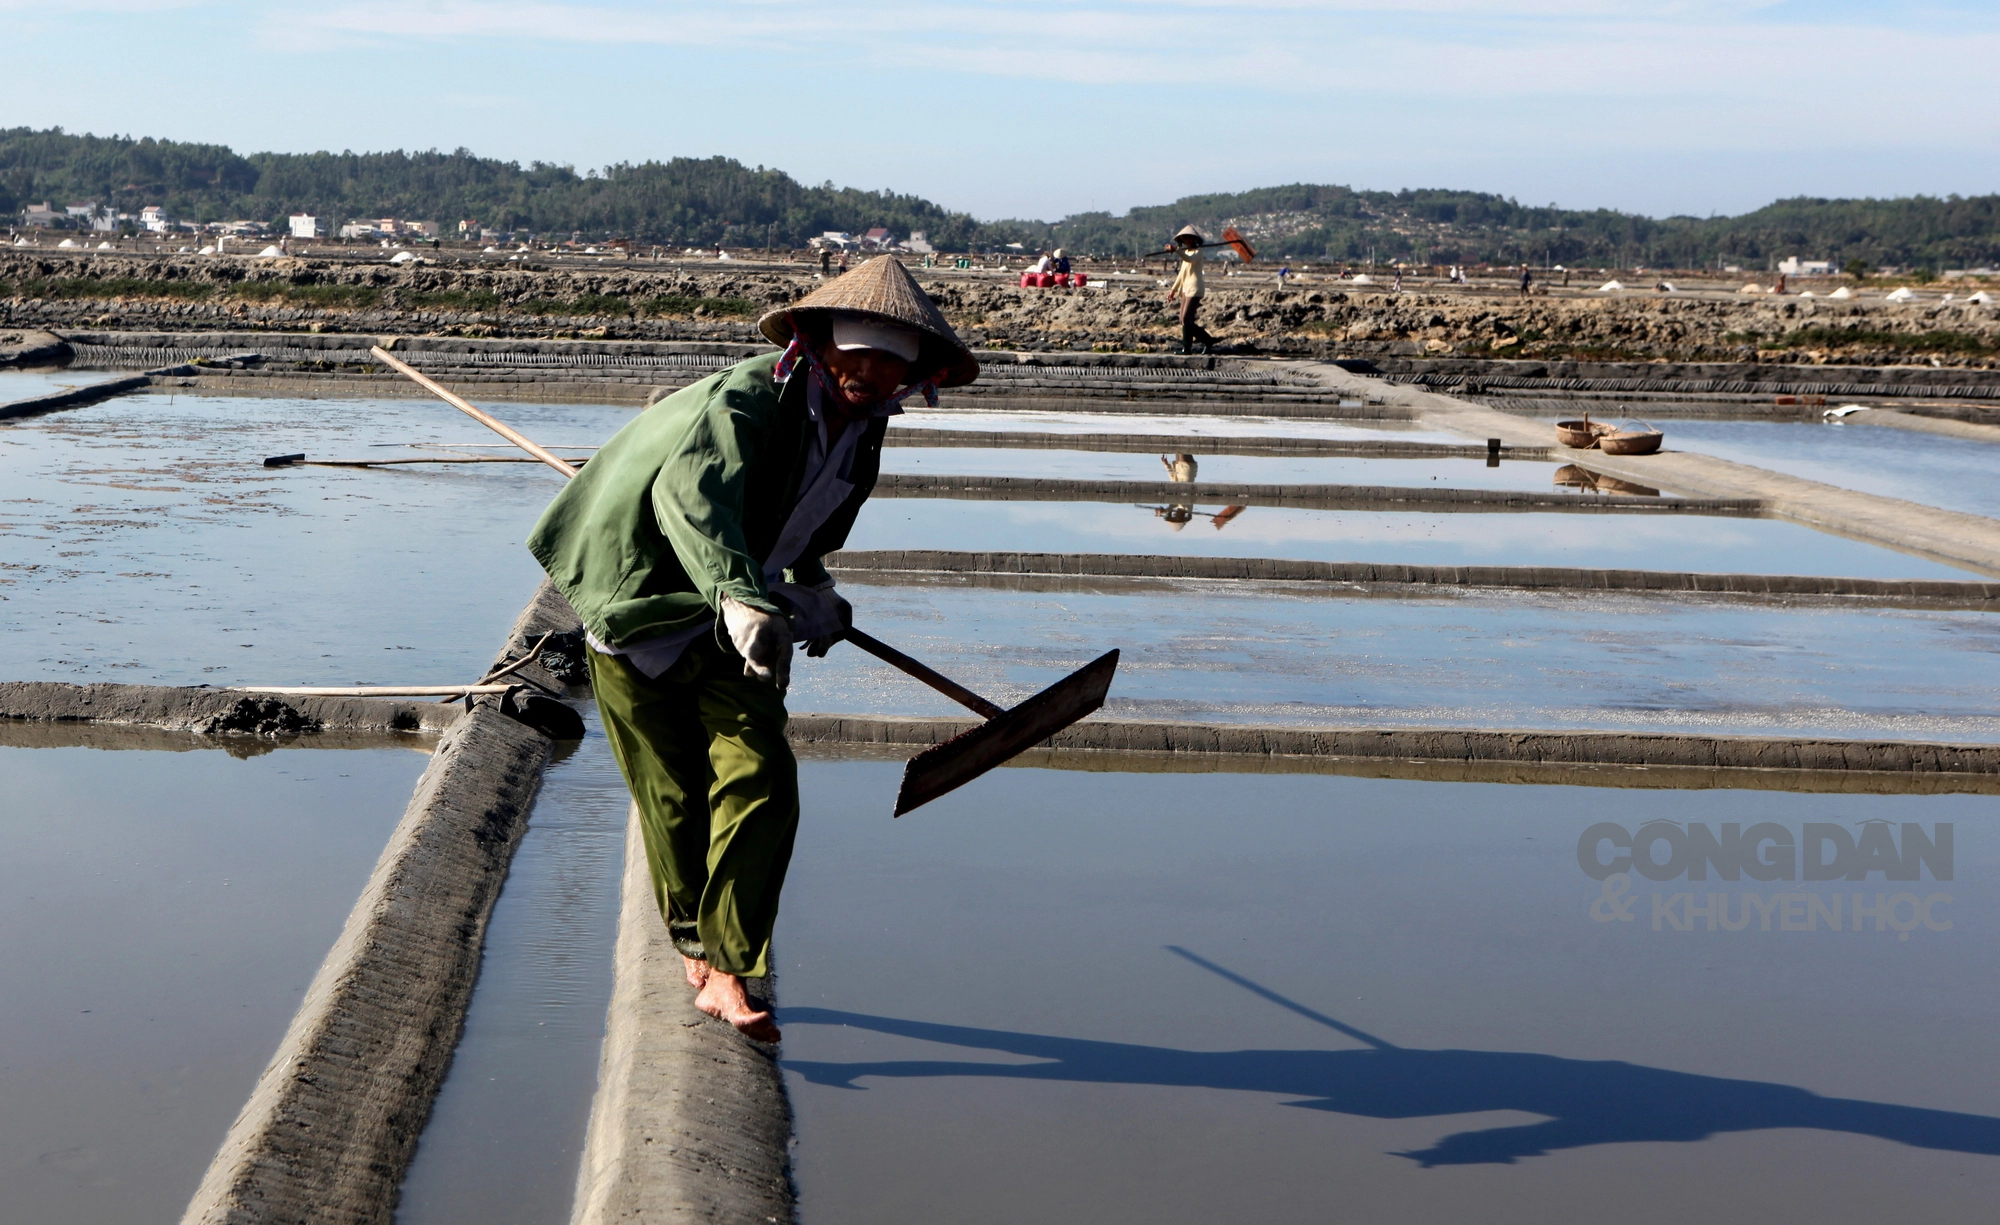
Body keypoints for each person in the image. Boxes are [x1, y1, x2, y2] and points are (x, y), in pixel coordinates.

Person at [528, 257, 979, 1043]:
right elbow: (689, 498)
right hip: (642, 597)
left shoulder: (865, 435)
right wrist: (740, 596)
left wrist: (813, 592)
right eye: (854, 354)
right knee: (671, 795)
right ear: (815, 343)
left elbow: (807, 532)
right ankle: (695, 945)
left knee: (761, 773)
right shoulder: (750, 399)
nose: (866, 374)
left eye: (888, 361)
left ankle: (731, 963)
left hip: (745, 615)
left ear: (916, 372)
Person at [1166, 225, 1216, 354]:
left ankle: (1208, 340)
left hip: (1195, 288)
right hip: (1185, 289)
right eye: (1184, 238)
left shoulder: (1197, 252)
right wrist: (1173, 290)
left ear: (1194, 239)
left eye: (1189, 238)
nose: (1187, 240)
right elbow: (1182, 274)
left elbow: (1191, 260)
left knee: (1187, 319)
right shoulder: (1186, 252)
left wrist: (1177, 250)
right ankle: (1186, 348)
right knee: (1183, 320)